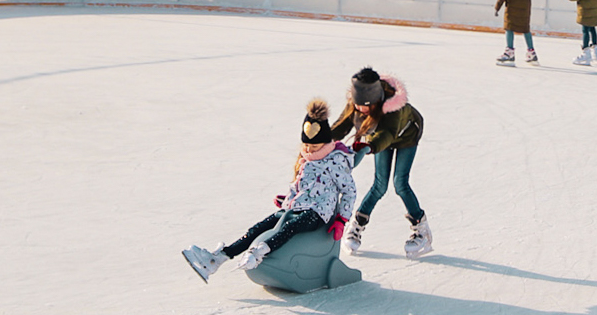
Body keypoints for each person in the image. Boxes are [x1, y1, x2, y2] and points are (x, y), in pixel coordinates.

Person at [183, 98, 356, 281]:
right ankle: (217, 259)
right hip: (297, 207)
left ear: (325, 143)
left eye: (314, 146)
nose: (309, 149)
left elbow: (349, 191)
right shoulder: (306, 160)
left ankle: (260, 252)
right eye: (306, 145)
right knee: (259, 227)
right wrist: (288, 200)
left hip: (318, 212)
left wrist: (342, 219)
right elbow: (298, 185)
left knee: (290, 227)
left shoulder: (335, 161)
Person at [331, 67, 430, 256]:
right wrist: (321, 140)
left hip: (406, 136)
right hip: (380, 139)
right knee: (379, 185)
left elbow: (387, 134)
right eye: (357, 104)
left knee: (400, 184)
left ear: (375, 101)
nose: (359, 109)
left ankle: (421, 229)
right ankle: (357, 225)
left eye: (363, 106)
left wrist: (369, 146)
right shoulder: (357, 102)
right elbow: (342, 125)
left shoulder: (394, 107)